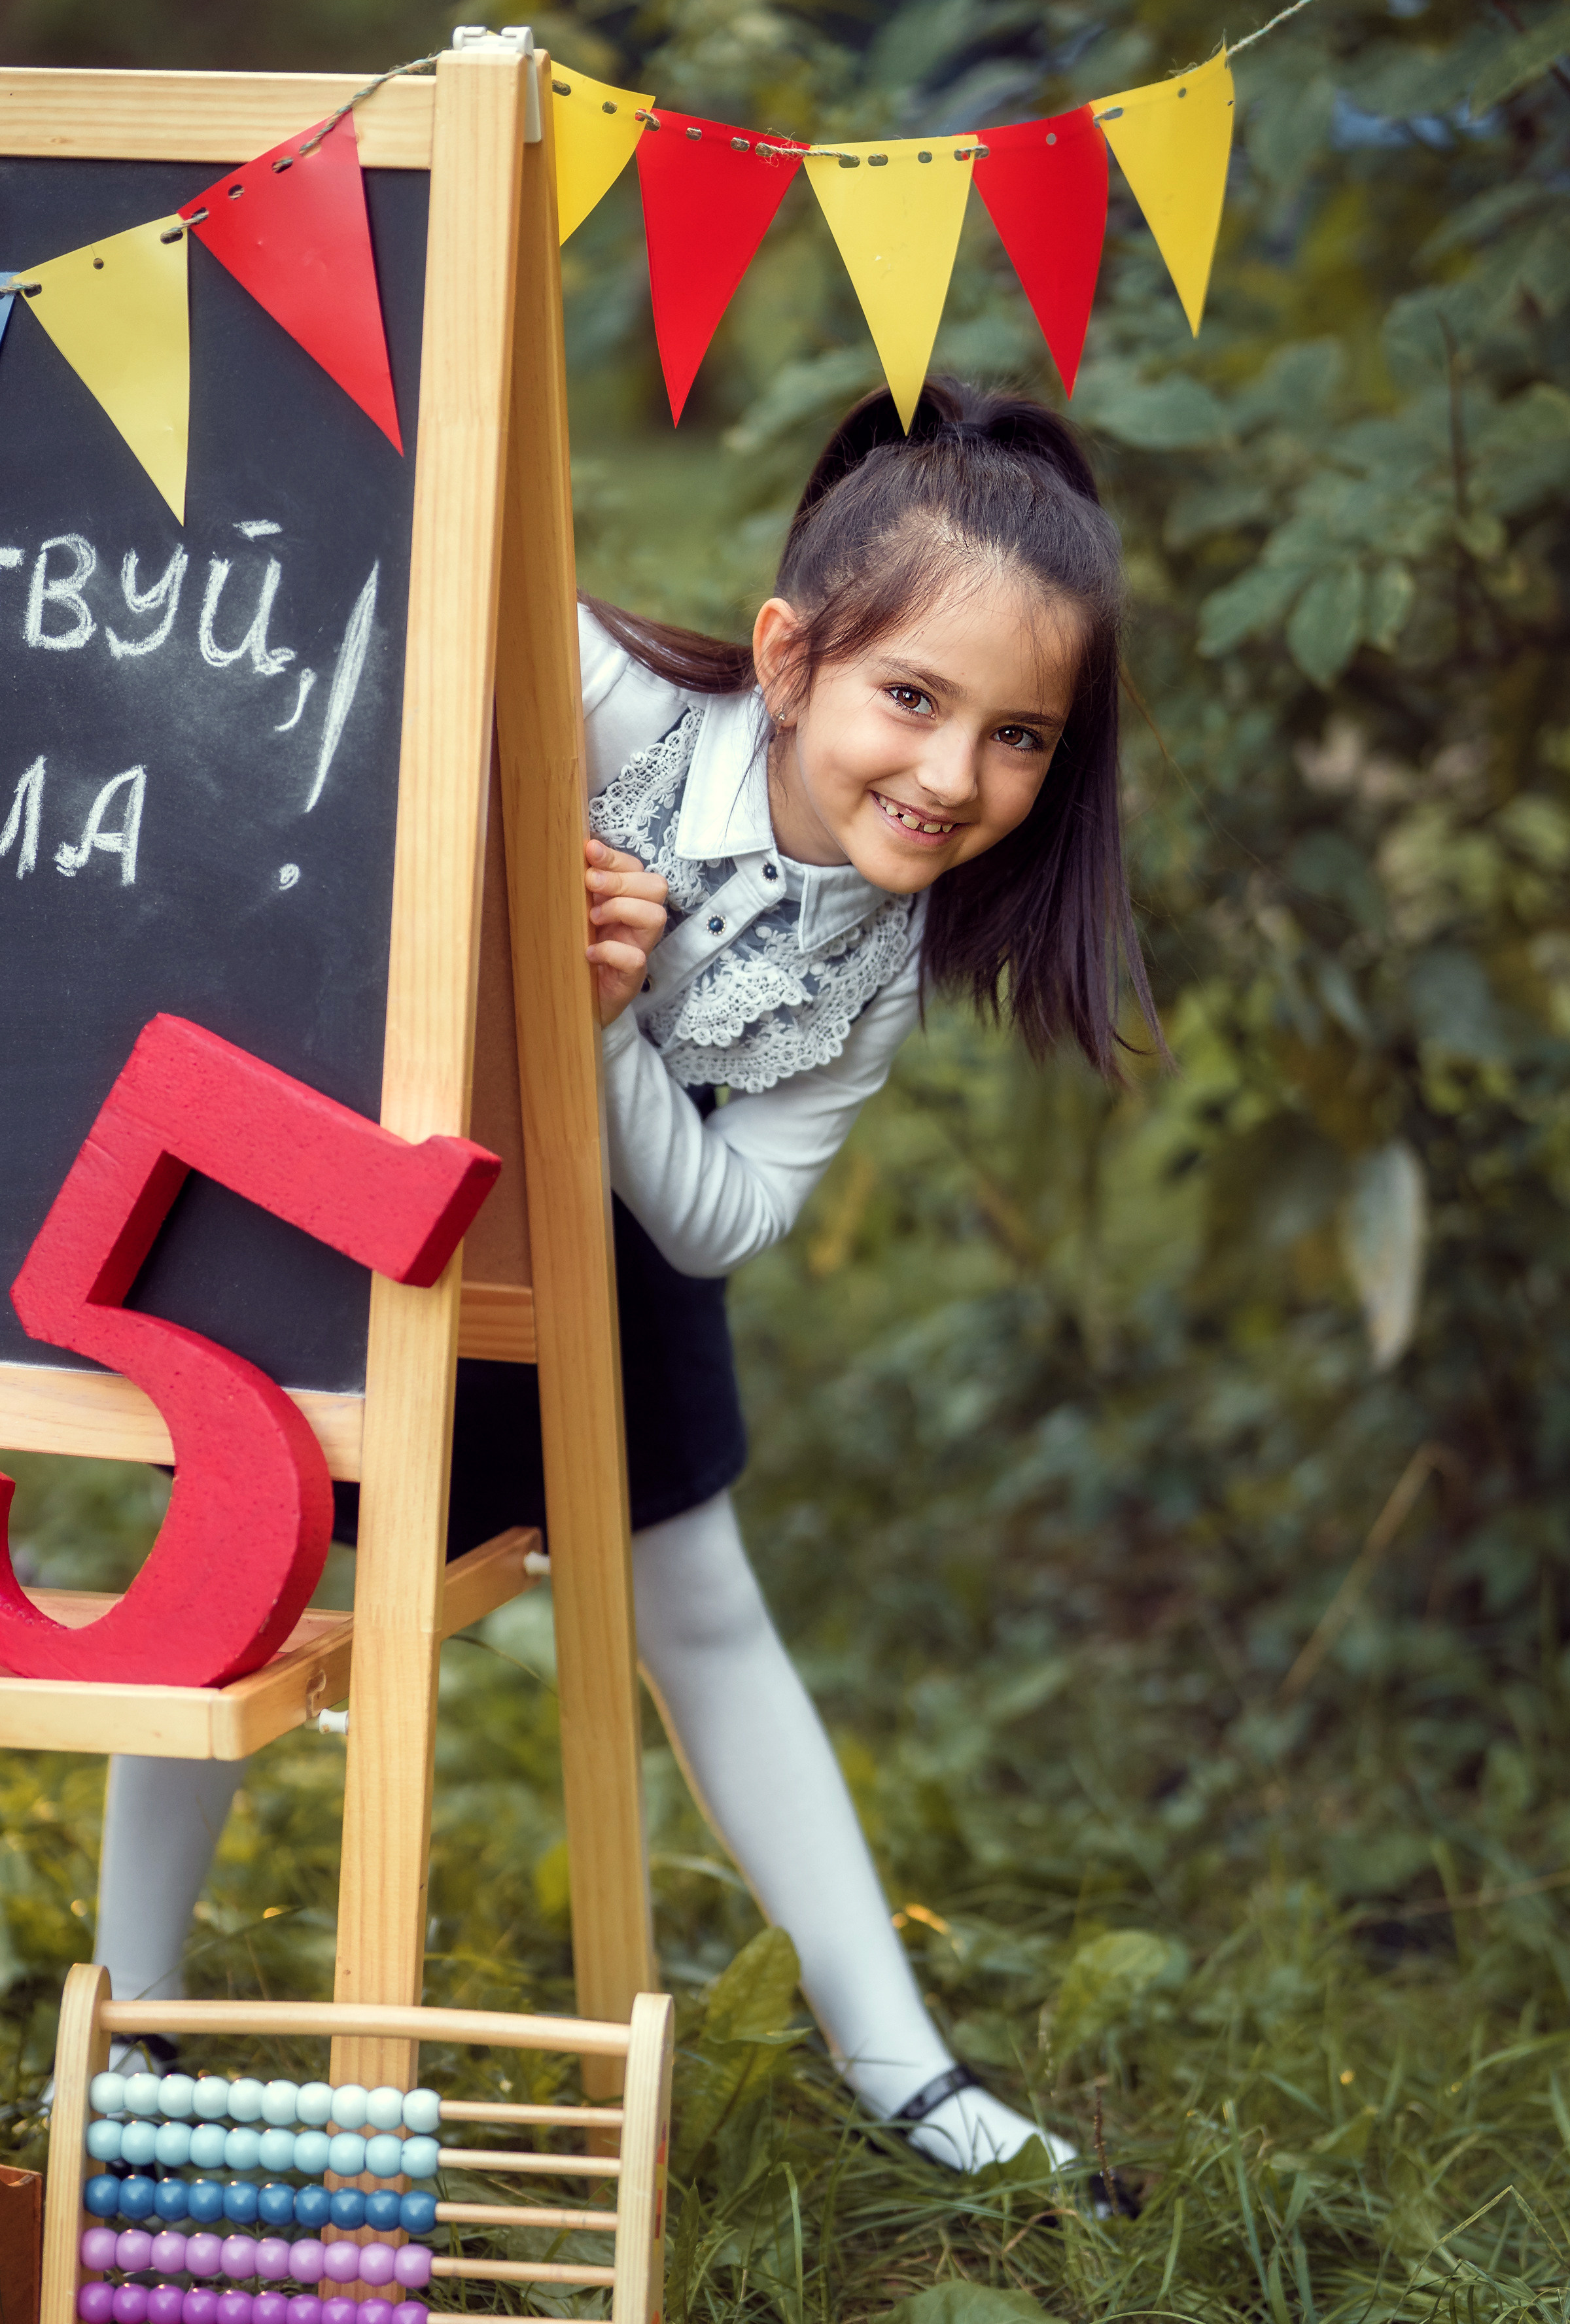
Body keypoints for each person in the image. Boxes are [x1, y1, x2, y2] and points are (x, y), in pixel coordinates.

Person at [85, 377, 1160, 2175]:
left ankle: (903, 2067)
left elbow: (725, 1215)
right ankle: (123, 2024)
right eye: (914, 697)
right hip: (360, 1173)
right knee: (234, 1573)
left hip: (602, 1248)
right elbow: (362, 655)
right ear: (790, 654)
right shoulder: (598, 687)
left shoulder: (874, 964)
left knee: (709, 1617)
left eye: (1021, 736)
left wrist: (599, 1041)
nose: (955, 776)